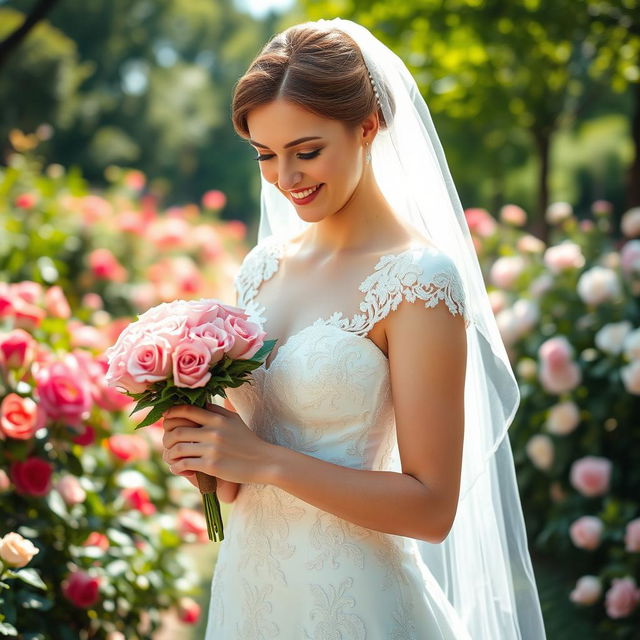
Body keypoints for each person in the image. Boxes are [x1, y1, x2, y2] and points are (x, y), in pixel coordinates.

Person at [161, 18, 547, 639]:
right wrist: (210, 458)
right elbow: (242, 481)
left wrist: (263, 461)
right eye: (266, 155)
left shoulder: (418, 280)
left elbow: (431, 507)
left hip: (358, 604)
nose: (287, 179)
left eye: (306, 151)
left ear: (368, 126)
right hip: (251, 595)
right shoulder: (261, 270)